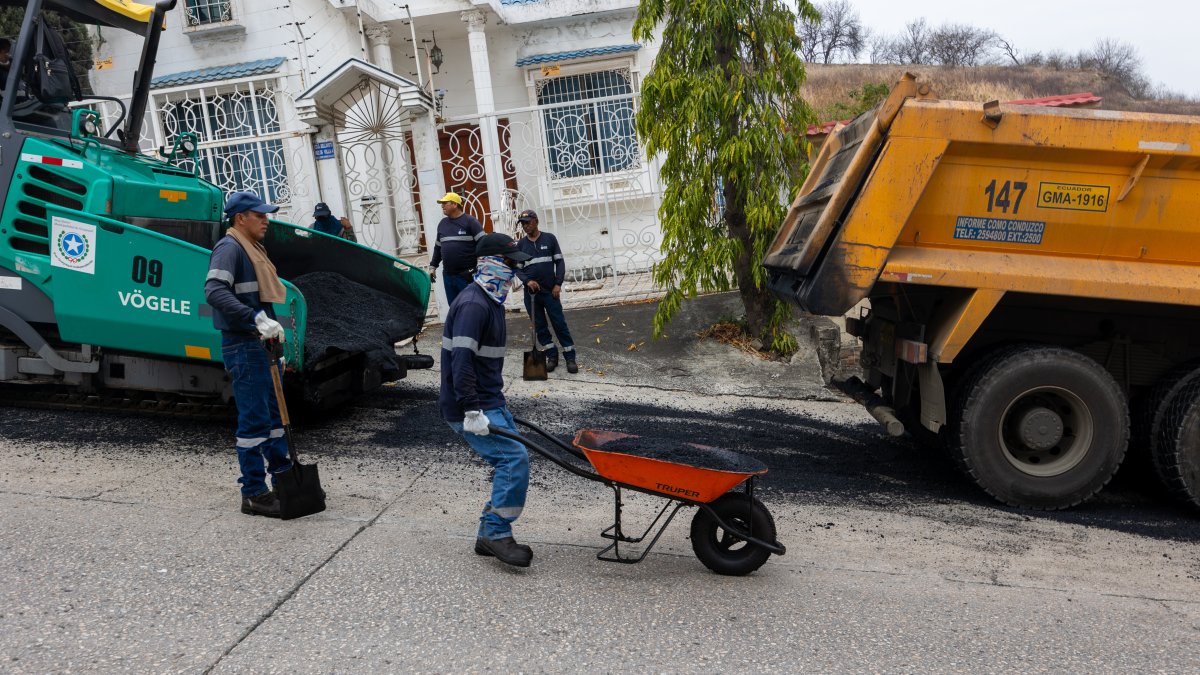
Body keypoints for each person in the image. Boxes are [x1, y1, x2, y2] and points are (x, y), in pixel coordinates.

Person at [441, 232, 535, 567]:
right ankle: (495, 532)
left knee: (513, 454)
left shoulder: (490, 301)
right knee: (514, 459)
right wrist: (471, 409)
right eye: (511, 264)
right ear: (492, 264)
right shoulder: (473, 305)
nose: (514, 273)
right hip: (472, 405)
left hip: (489, 400)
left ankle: (486, 533)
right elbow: (461, 362)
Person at [204, 191, 292, 518]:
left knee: (273, 418)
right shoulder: (230, 248)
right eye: (260, 215)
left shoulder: (251, 247)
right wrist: (254, 318)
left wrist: (270, 326)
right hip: (243, 345)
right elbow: (214, 291)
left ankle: (284, 475)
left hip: (261, 346)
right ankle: (253, 492)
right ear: (241, 218)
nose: (266, 220)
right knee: (255, 421)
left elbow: (258, 297)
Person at [514, 209, 577, 374]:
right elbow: (518, 270)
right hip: (532, 295)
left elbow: (560, 263)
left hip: (550, 292)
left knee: (559, 323)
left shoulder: (550, 239)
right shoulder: (520, 245)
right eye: (523, 224)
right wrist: (528, 281)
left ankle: (570, 357)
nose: (525, 226)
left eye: (528, 222)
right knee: (540, 326)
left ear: (536, 221)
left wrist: (558, 284)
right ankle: (551, 356)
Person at [428, 191, 485, 305]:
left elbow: (484, 243)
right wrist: (433, 266)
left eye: (445, 203)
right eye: (441, 204)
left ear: (455, 204)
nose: (442, 206)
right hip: (448, 276)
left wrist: (481, 266)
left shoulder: (470, 222)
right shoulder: (442, 224)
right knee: (454, 307)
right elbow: (438, 247)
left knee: (470, 306)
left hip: (466, 276)